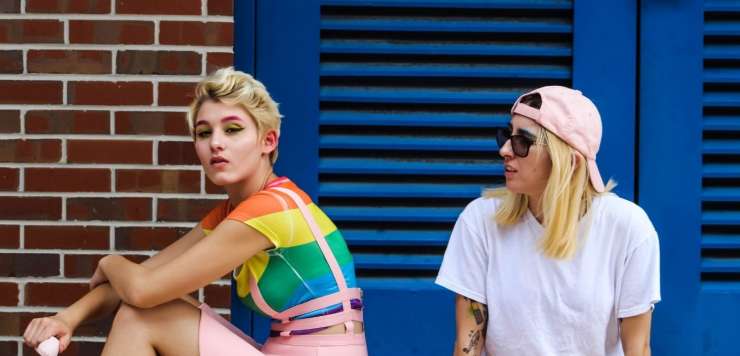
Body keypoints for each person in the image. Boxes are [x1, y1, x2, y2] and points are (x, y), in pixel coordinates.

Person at [22, 67, 368, 356]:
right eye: (204, 133)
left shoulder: (271, 209)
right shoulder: (236, 211)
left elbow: (141, 289)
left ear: (268, 141)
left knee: (144, 313)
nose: (216, 142)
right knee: (143, 309)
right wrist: (66, 319)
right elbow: (146, 278)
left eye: (232, 129)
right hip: (279, 349)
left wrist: (110, 261)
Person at [435, 86, 660, 356]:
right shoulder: (480, 221)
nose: (505, 150)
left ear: (570, 161)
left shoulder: (628, 229)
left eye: (522, 142)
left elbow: (638, 349)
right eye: (507, 135)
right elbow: (467, 345)